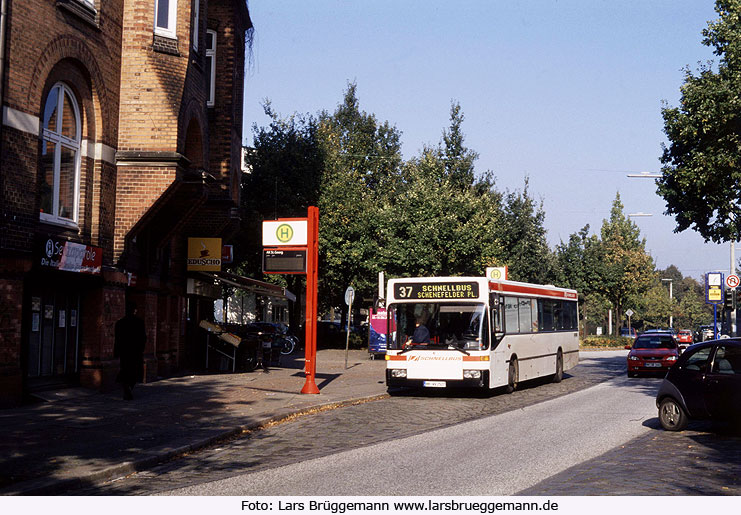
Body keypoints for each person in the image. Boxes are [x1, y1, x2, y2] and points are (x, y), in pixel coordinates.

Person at [114, 300, 147, 400]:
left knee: (125, 369)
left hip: (124, 351)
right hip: (135, 351)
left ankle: (126, 386)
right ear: (134, 310)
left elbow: (117, 338)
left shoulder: (119, 323)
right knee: (135, 370)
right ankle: (129, 387)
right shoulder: (140, 322)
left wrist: (116, 351)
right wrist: (141, 348)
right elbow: (143, 337)